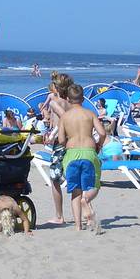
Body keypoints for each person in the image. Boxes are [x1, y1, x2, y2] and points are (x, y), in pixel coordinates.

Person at [58, 83, 106, 233]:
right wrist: (99, 144)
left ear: (67, 99)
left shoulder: (65, 116)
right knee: (94, 185)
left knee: (75, 191)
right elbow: (103, 133)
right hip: (89, 151)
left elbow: (60, 140)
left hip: (71, 153)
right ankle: (87, 200)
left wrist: (68, 144)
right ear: (83, 98)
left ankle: (78, 226)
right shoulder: (90, 114)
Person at [44, 74, 73, 225]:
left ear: (56, 88)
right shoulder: (70, 103)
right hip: (72, 142)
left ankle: (59, 216)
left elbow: (63, 118)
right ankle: (83, 212)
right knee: (73, 177)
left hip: (60, 143)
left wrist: (52, 135)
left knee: (54, 179)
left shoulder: (56, 102)